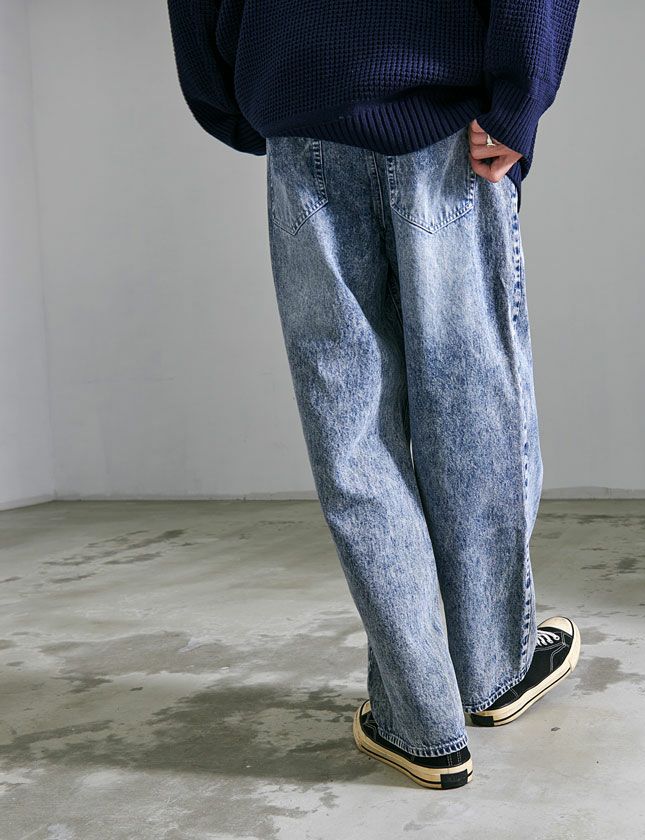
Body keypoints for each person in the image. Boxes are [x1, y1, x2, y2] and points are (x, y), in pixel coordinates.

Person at [167, 0, 582, 790]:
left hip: (301, 105)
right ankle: (491, 671)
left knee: (351, 431)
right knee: (472, 410)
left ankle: (418, 721)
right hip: (448, 117)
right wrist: (518, 97)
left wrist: (245, 96)